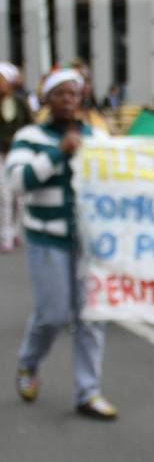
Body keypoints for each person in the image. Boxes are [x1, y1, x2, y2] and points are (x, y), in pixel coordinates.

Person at [4, 67, 118, 419]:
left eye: (73, 93)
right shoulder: (30, 136)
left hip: (87, 244)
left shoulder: (97, 139)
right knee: (52, 315)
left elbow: (117, 182)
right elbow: (17, 181)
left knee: (90, 317)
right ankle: (28, 362)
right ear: (46, 99)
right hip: (47, 241)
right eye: (60, 94)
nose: (68, 100)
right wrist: (57, 152)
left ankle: (88, 391)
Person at [0, 62, 34, 252]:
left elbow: (30, 126)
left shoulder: (20, 103)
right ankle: (6, 235)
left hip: (19, 154)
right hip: (1, 154)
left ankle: (16, 230)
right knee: (5, 195)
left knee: (19, 197)